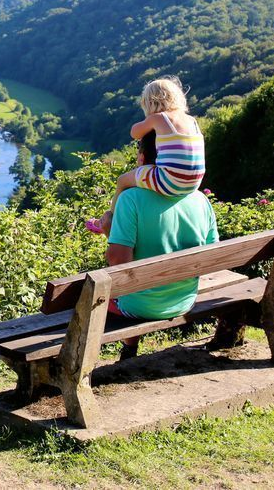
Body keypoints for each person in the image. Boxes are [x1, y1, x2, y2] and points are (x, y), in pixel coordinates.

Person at [104, 130, 219, 359]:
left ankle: (129, 349)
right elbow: (212, 254)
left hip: (136, 307)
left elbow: (118, 262)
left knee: (99, 294)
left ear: (142, 160)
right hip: (184, 301)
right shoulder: (200, 200)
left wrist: (109, 230)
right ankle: (129, 348)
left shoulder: (131, 198)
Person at [87, 76, 206, 235]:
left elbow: (134, 132)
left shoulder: (158, 118)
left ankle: (110, 221)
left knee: (122, 181)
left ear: (150, 102)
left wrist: (148, 122)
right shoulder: (192, 121)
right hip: (194, 182)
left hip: (169, 180)